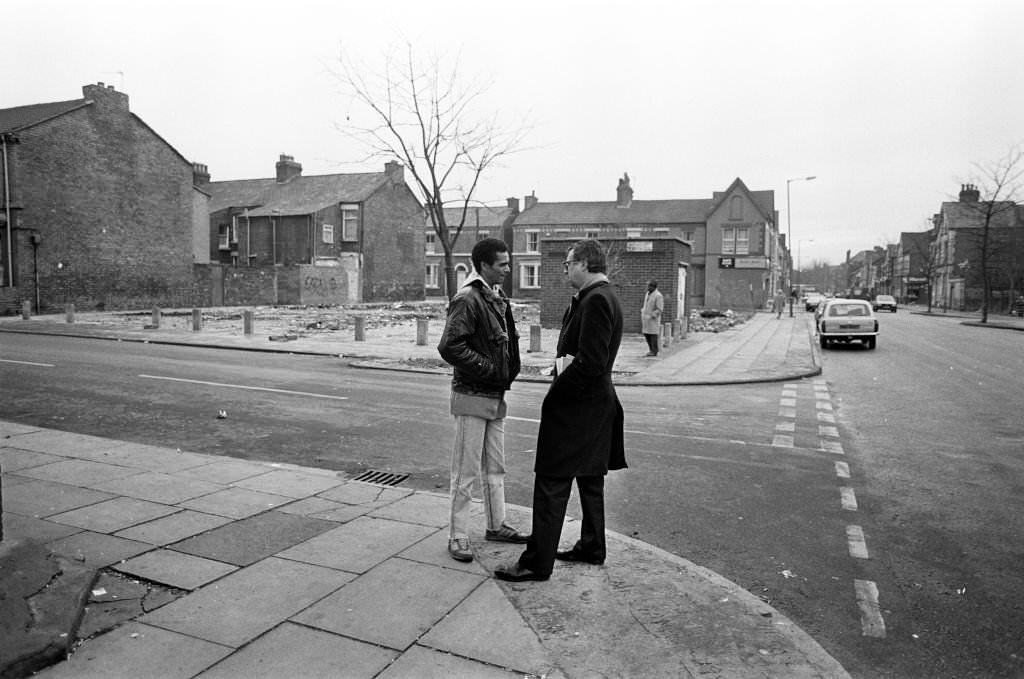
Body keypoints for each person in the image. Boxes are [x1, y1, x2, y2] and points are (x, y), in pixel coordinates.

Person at [495, 239, 627, 582]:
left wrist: (557, 390)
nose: (565, 268)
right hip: (596, 407)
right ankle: (592, 546)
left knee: (552, 483)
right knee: (590, 480)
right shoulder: (602, 296)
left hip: (577, 411)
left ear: (584, 263)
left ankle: (536, 563)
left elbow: (591, 363)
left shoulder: (596, 300)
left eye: (569, 263)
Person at [437, 237, 528, 563]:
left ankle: (496, 524)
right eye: (502, 263)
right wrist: (489, 369)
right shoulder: (468, 299)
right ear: (485, 265)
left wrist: (504, 373)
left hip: (493, 394)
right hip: (473, 395)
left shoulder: (494, 297)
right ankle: (458, 535)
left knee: (495, 467)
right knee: (465, 471)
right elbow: (449, 346)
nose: (507, 268)